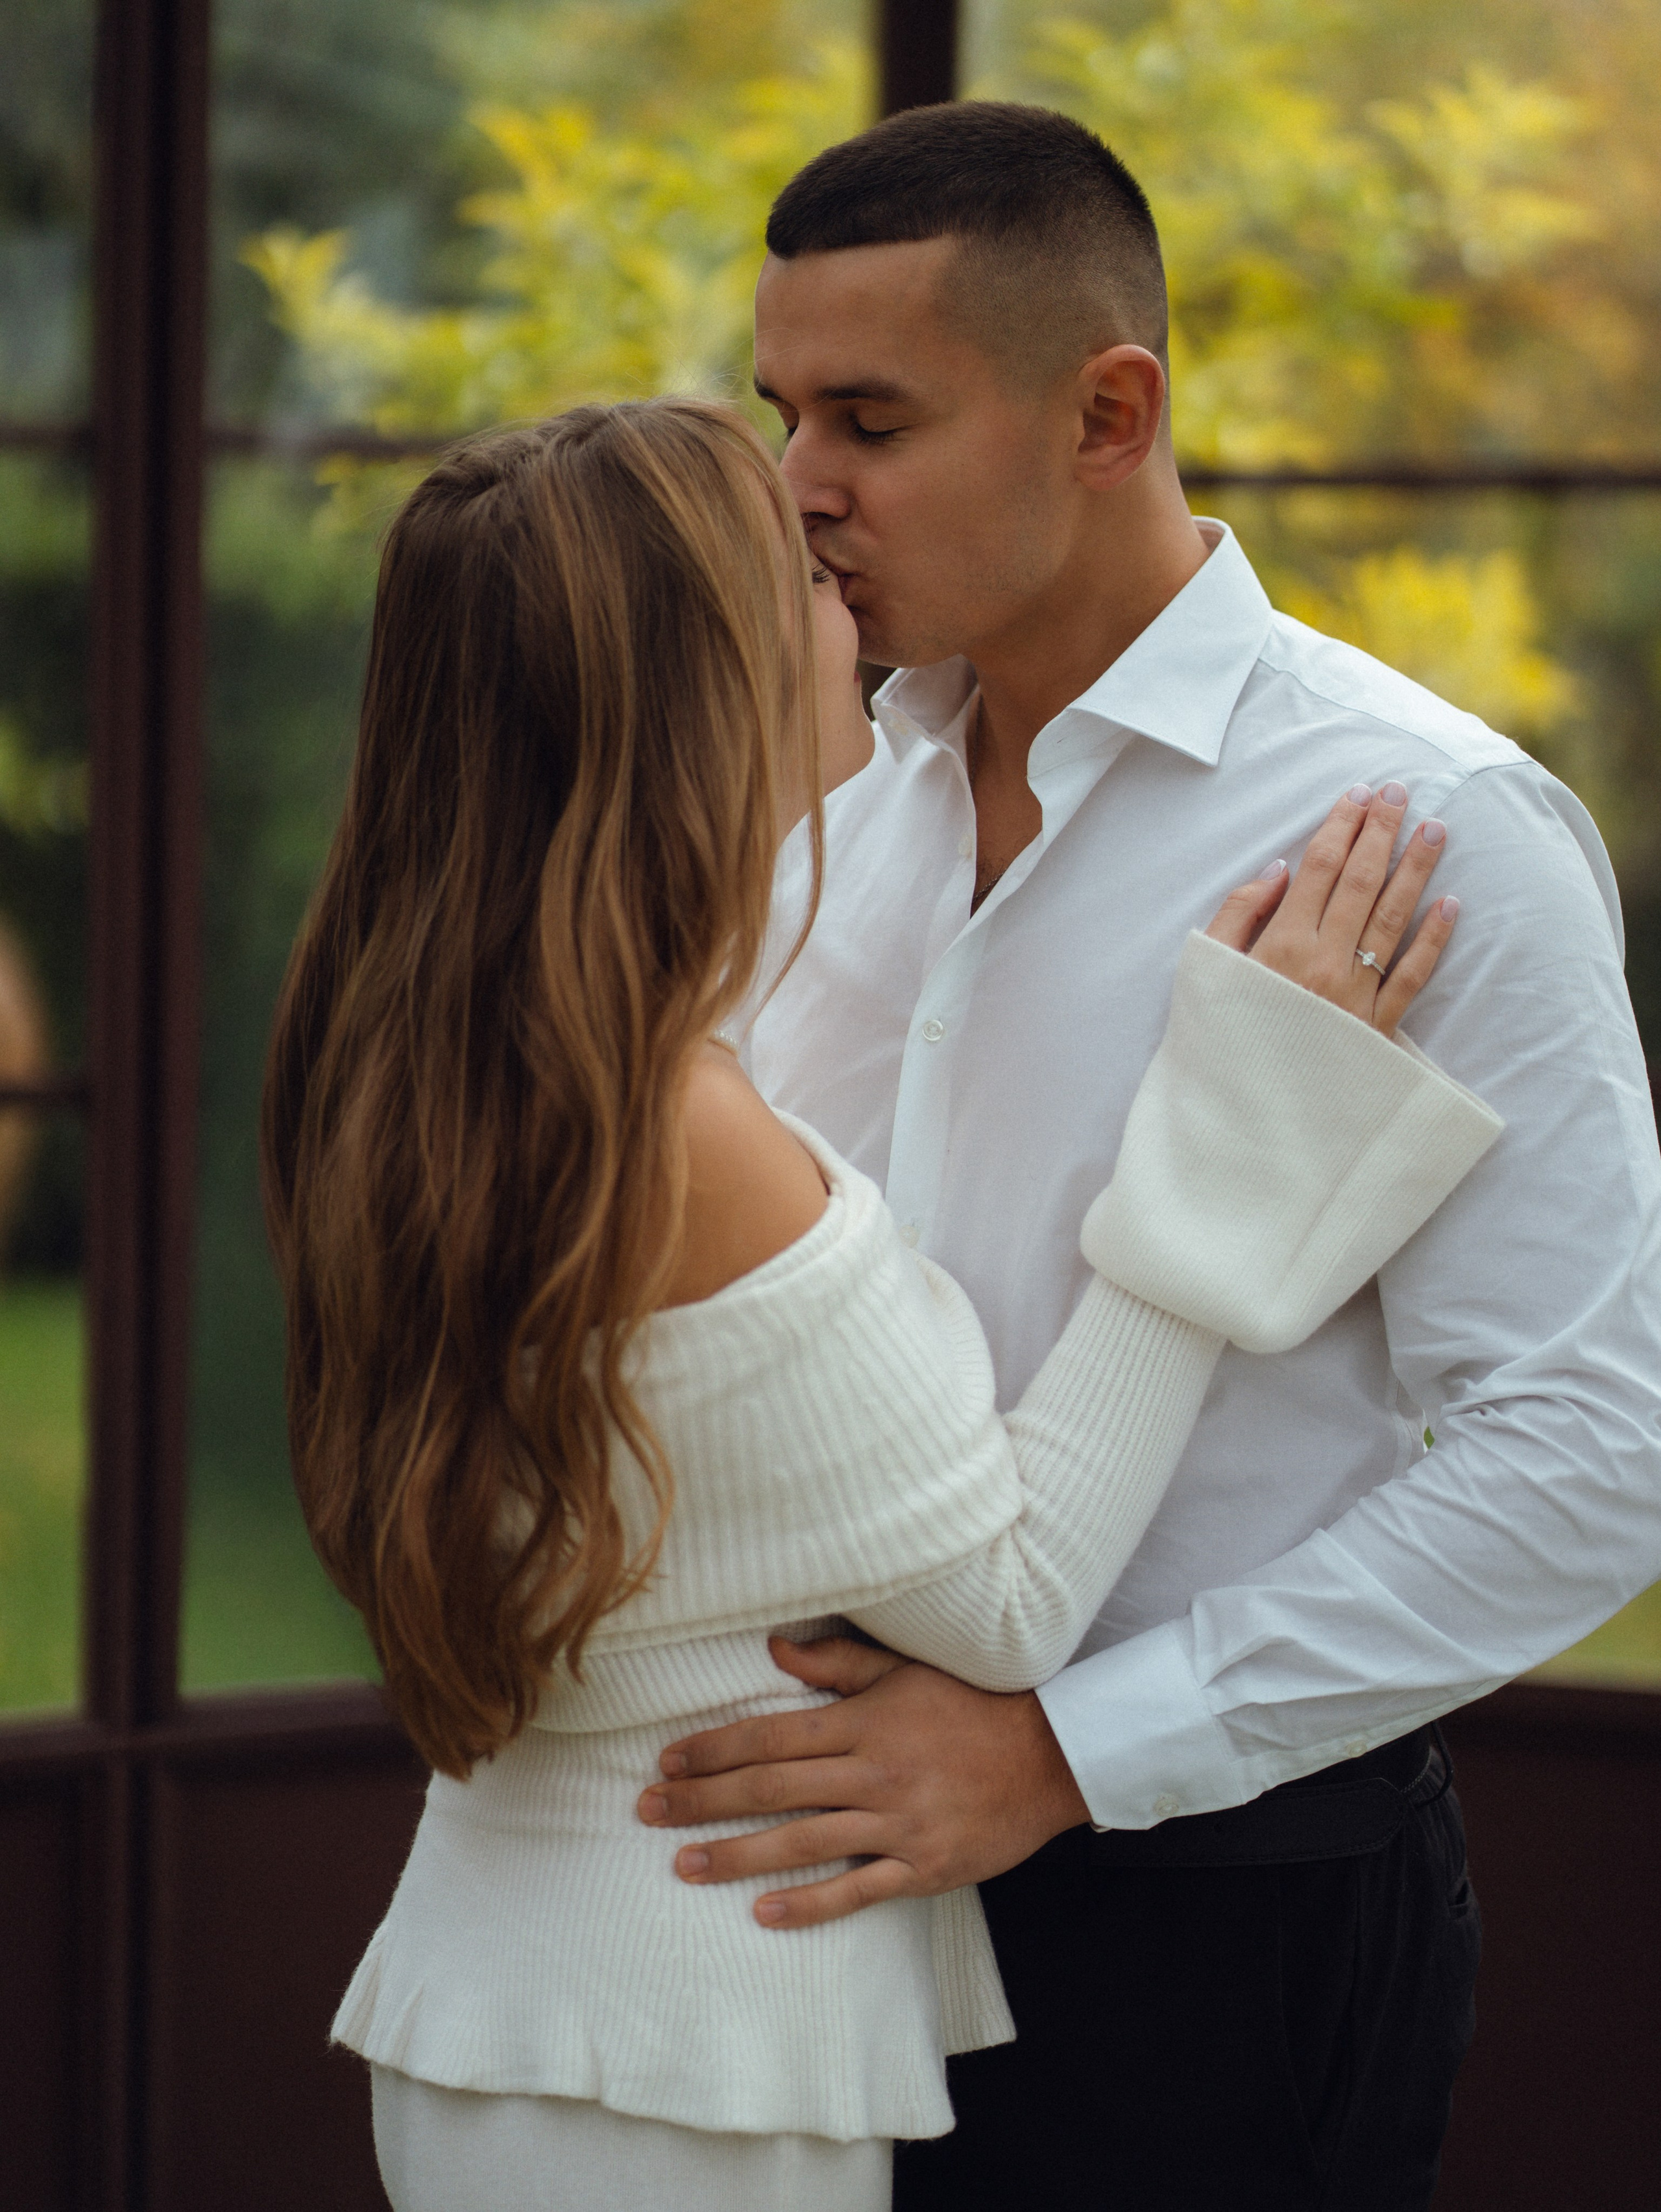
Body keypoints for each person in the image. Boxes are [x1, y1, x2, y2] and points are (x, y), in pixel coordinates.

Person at [260, 398, 1496, 2212]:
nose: (840, 579)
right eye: (791, 567)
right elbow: (1008, 1598)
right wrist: (1236, 1129)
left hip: (528, 2002)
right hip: (678, 2049)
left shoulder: (419, 1060)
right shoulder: (683, 1131)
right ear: (706, 677)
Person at [633, 102, 1661, 2209]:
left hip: (1214, 1921)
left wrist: (1063, 1756)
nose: (800, 486)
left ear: (1109, 409)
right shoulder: (816, 801)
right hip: (773, 1894)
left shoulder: (1427, 833)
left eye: (872, 419)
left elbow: (1588, 1449)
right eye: (783, 413)